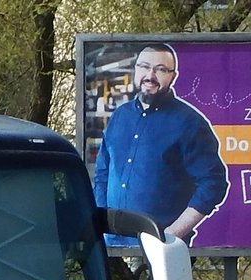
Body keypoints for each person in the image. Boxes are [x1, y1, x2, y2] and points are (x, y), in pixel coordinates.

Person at [92, 43, 229, 247]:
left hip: (162, 249)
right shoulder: (120, 116)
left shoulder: (190, 123)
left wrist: (171, 234)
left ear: (173, 76)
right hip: (112, 245)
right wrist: (101, 226)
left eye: (161, 69)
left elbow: (213, 184)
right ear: (135, 69)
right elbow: (102, 173)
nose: (150, 75)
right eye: (144, 67)